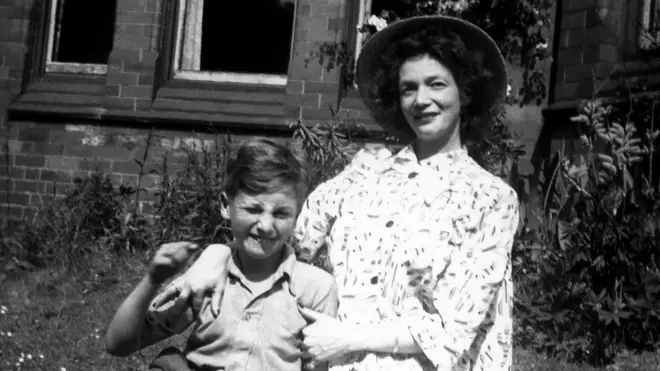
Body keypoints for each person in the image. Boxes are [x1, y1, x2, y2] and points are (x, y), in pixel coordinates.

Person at [162, 15, 520, 371]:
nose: (420, 100)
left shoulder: (491, 200)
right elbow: (280, 237)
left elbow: (454, 331)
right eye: (409, 88)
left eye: (436, 84)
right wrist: (217, 255)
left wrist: (349, 338)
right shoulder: (364, 173)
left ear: (465, 91)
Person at [104, 138, 339, 371]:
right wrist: (153, 279)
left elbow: (320, 365)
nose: (266, 225)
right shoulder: (207, 276)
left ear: (296, 215)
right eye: (253, 209)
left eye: (281, 214)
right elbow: (118, 344)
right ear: (226, 206)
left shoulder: (315, 289)